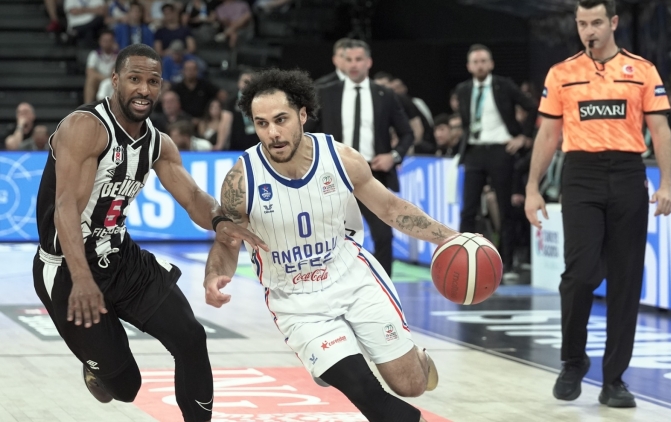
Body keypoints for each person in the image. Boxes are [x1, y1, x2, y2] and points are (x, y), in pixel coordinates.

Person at [203, 68, 457, 422]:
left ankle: (409, 356)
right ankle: (331, 356)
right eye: (262, 124)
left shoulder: (341, 158)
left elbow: (390, 208)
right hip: (295, 300)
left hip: (352, 279)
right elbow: (228, 240)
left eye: (281, 120)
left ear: (302, 114)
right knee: (366, 393)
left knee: (411, 386)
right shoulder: (241, 179)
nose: (272, 133)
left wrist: (451, 237)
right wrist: (214, 274)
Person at [32, 44, 266, 422]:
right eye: (134, 79)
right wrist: (82, 278)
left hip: (120, 256)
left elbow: (192, 196)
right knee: (126, 388)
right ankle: (97, 366)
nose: (144, 89)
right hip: (66, 267)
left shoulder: (158, 143)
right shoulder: (85, 128)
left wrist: (221, 221)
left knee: (191, 337)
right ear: (115, 81)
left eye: (153, 81)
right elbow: (65, 210)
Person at [525, 0, 671, 408]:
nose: (588, 30)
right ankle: (573, 360)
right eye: (581, 23)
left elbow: (660, 130)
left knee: (626, 280)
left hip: (628, 173)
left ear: (613, 23)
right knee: (579, 273)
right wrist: (533, 187)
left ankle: (614, 381)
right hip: (581, 175)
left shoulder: (642, 70)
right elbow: (548, 135)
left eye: (595, 22)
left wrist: (666, 183)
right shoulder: (561, 73)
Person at [308, 39, 415, 277]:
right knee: (327, 237)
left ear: (369, 62)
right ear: (342, 62)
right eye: (349, 59)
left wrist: (393, 156)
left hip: (373, 174)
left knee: (383, 235)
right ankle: (329, 286)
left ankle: (384, 287)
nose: (354, 64)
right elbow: (308, 132)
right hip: (334, 174)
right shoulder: (326, 93)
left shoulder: (385, 95)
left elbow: (407, 133)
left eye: (358, 59)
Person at [455, 43, 537, 282]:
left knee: (504, 208)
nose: (480, 65)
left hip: (501, 149)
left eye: (483, 61)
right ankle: (465, 262)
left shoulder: (504, 85)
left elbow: (532, 106)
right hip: (474, 150)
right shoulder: (463, 89)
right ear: (469, 66)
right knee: (468, 209)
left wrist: (523, 136)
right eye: (475, 62)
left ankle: (506, 263)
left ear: (491, 64)